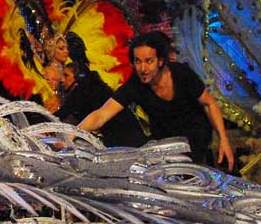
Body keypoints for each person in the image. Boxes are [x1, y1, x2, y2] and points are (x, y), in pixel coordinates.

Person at [78, 31, 234, 168]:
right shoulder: (136, 83)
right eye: (137, 61)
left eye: (148, 61)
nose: (142, 68)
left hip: (196, 138)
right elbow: (102, 114)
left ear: (160, 61)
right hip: (166, 143)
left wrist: (223, 139)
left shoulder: (181, 74)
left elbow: (209, 103)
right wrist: (71, 134)